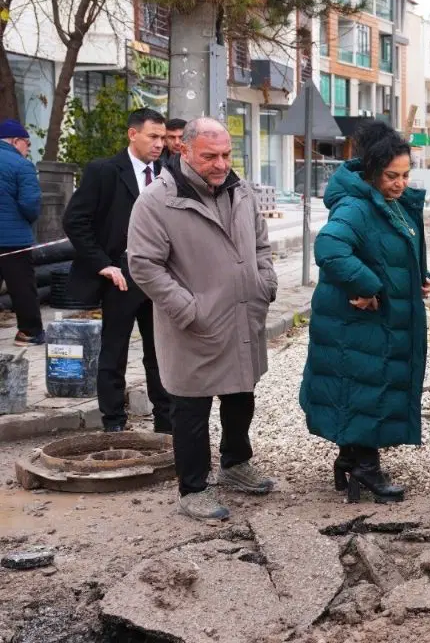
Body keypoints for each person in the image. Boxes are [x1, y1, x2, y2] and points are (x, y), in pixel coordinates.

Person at [127, 117, 278, 521]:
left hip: (244, 315)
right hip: (194, 324)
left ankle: (235, 463)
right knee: (191, 410)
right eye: (210, 156)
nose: (220, 164)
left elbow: (261, 242)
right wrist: (185, 308)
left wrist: (264, 282)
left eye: (226, 154)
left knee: (241, 395)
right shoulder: (157, 201)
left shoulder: (240, 190)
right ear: (185, 151)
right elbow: (144, 265)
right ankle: (192, 487)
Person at [299, 121, 430, 503]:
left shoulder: (388, 203)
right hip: (357, 322)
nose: (400, 183)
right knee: (365, 390)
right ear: (372, 171)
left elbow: (394, 254)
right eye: (392, 175)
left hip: (373, 322)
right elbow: (329, 249)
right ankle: (366, 468)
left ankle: (349, 460)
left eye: (406, 175)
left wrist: (419, 278)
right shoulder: (357, 206)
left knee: (361, 388)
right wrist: (367, 286)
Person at [63, 108, 173, 433]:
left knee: (160, 354)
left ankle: (166, 424)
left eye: (162, 138)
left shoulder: (168, 173)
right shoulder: (105, 171)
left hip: (158, 276)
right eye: (153, 136)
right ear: (132, 134)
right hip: (120, 277)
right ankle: (114, 424)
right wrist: (103, 265)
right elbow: (75, 220)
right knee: (114, 352)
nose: (159, 144)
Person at [0, 119, 43, 346]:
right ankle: (29, 332)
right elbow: (30, 204)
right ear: (16, 141)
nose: (27, 149)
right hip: (13, 240)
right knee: (22, 288)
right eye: (27, 144)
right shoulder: (21, 165)